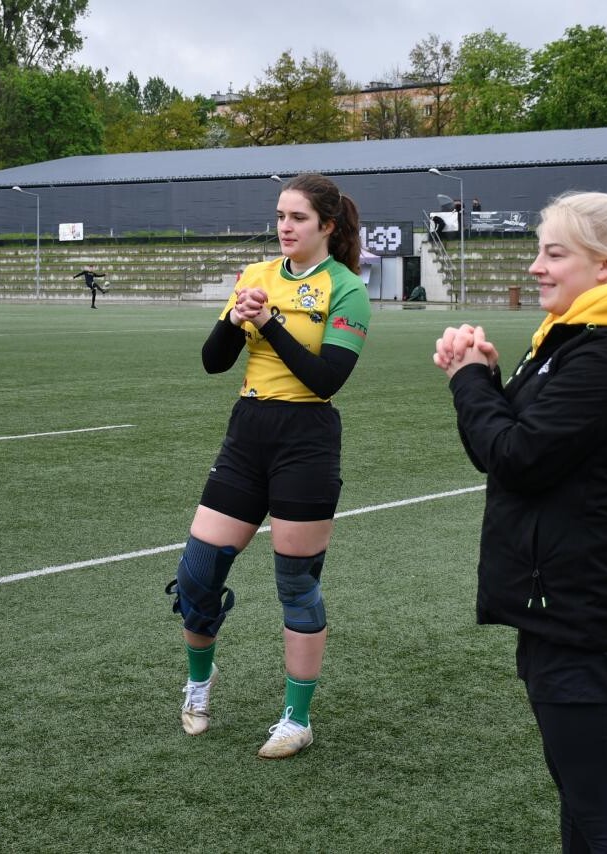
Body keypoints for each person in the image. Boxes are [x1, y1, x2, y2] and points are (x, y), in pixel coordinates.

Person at [433, 191, 607, 850]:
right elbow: (511, 450)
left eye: (554, 253)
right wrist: (488, 377)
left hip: (579, 608)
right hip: (558, 599)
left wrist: (470, 381)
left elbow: (517, 458)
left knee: (600, 809)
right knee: (585, 805)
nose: (536, 267)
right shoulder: (578, 339)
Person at [167, 173, 371, 759]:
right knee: (198, 573)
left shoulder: (346, 289)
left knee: (296, 585)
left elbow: (326, 377)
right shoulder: (255, 276)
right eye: (280, 215)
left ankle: (296, 719)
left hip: (307, 438)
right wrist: (235, 319)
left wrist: (272, 323)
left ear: (327, 226)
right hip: (248, 431)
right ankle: (198, 689)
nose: (285, 226)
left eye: (298, 218)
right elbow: (213, 362)